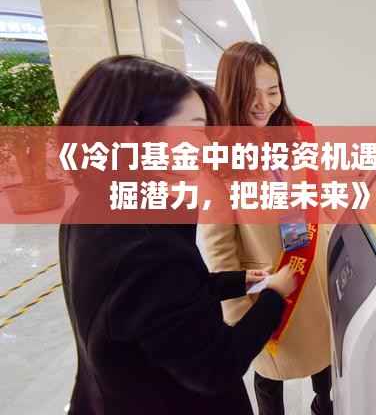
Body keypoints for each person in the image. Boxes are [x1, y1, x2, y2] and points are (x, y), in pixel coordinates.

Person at [57, 55, 298, 415]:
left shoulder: (92, 209)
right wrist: (274, 296)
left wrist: (235, 281)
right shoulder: (148, 247)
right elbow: (216, 366)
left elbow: (153, 304)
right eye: (195, 132)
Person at [197, 42, 333, 415]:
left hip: (314, 276)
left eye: (272, 91)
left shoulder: (300, 134)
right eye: (251, 93)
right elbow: (219, 247)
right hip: (268, 287)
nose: (264, 104)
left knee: (325, 368)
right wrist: (240, 314)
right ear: (230, 92)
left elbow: (316, 199)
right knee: (270, 380)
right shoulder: (217, 158)